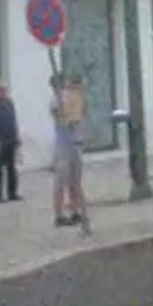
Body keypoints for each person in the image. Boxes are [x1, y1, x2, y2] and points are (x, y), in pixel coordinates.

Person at [50, 74, 89, 231]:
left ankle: (75, 210)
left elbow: (80, 117)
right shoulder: (55, 101)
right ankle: (59, 215)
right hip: (62, 145)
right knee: (61, 181)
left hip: (74, 145)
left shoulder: (74, 99)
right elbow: (59, 117)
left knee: (75, 181)